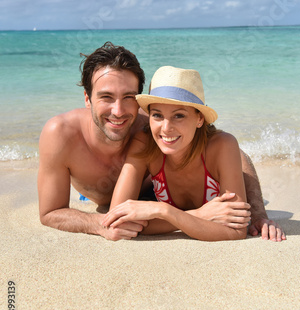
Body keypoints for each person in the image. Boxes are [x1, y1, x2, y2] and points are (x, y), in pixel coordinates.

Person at [38, 42, 285, 241]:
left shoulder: (149, 126)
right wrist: (195, 215)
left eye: (128, 97)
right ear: (87, 98)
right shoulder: (62, 135)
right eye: (106, 97)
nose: (118, 110)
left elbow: (232, 153)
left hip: (152, 202)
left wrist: (258, 213)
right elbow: (54, 213)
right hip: (139, 205)